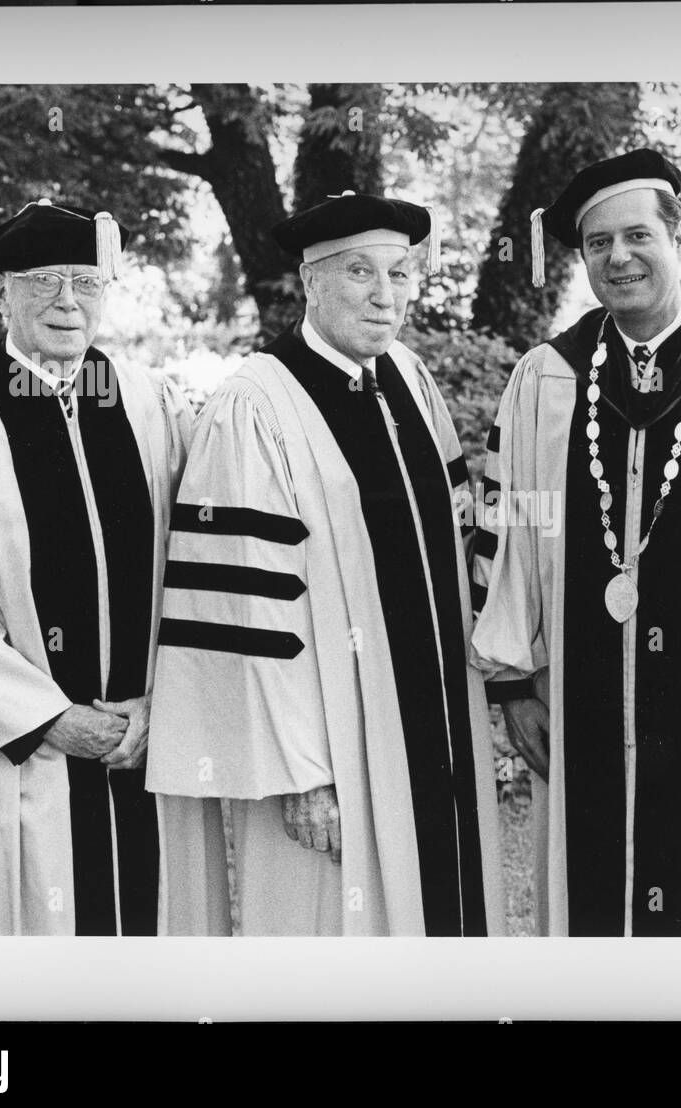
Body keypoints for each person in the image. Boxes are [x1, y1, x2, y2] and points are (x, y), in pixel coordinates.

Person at [147, 192, 505, 936]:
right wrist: (299, 770)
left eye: (401, 274)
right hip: (330, 753)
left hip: (436, 730)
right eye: (359, 272)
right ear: (311, 281)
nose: (386, 295)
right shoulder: (255, 406)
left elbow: (459, 533)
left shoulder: (409, 377)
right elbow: (245, 609)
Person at [0, 199, 229, 935]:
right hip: (20, 761)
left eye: (86, 282)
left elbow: (205, 562)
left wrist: (170, 702)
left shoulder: (152, 405)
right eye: (43, 281)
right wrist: (54, 720)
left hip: (149, 748)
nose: (68, 300)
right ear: (0, 291)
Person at [470, 149, 681, 936]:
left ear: (676, 234)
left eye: (637, 235)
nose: (618, 258)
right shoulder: (547, 377)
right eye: (596, 245)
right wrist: (513, 682)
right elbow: (507, 529)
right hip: (573, 706)